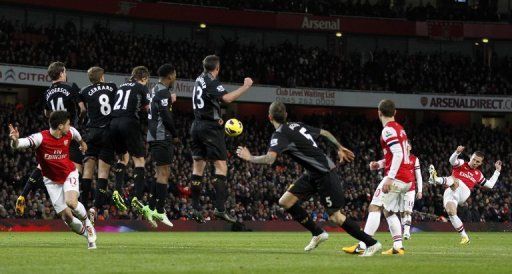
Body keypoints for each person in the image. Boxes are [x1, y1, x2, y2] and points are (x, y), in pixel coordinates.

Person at [236, 101, 382, 256]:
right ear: (285, 115)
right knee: (285, 201)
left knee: (335, 217)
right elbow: (325, 133)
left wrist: (250, 157)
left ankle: (372, 243)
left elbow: (270, 159)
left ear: (269, 117)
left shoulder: (280, 134)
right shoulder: (296, 125)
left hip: (324, 173)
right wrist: (339, 147)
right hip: (313, 173)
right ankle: (318, 232)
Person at [9, 111, 97, 249]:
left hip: (69, 173)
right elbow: (21, 144)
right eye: (68, 124)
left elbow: (77, 135)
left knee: (71, 202)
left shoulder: (69, 132)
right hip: (51, 181)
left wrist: (82, 143)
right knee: (67, 217)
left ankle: (88, 224)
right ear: (60, 126)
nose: (70, 126)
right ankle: (87, 235)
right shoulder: (41, 138)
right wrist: (14, 140)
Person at [189, 55, 253, 223]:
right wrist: (246, 86)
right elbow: (227, 98)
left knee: (198, 168)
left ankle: (195, 208)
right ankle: (220, 208)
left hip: (196, 126)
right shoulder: (211, 80)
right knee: (221, 167)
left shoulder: (199, 79)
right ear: (217, 68)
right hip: (209, 128)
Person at [17, 61, 85, 215]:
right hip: (68, 131)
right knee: (77, 168)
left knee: (45, 164)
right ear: (62, 73)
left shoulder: (47, 92)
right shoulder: (71, 87)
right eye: (65, 71)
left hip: (54, 133)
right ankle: (75, 201)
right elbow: (82, 109)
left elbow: (47, 114)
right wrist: (78, 122)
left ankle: (23, 194)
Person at [429, 146, 501, 244]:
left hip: (464, 191)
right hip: (450, 191)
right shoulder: (462, 163)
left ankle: (435, 179)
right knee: (451, 213)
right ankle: (465, 237)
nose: (475, 163)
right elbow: (452, 161)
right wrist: (456, 153)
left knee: (455, 180)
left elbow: (491, 185)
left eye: (478, 162)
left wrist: (497, 171)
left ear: (481, 163)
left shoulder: (478, 174)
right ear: (471, 157)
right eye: (474, 160)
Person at [109, 66, 151, 220]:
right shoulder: (142, 87)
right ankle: (137, 197)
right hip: (129, 122)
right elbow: (147, 109)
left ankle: (117, 191)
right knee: (139, 160)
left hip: (114, 123)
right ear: (144, 78)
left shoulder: (121, 87)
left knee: (123, 158)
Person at [79, 66, 117, 223]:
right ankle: (95, 207)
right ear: (102, 77)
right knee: (103, 173)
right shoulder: (113, 87)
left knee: (87, 171)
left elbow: (82, 110)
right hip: (108, 133)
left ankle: (82, 207)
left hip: (92, 132)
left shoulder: (84, 91)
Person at [146, 63, 179, 228]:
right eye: (174, 75)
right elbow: (165, 115)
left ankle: (151, 207)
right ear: (170, 75)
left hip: (153, 135)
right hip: (161, 135)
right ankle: (159, 210)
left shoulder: (155, 90)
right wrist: (175, 134)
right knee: (164, 173)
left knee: (159, 173)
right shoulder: (163, 91)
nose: (175, 78)